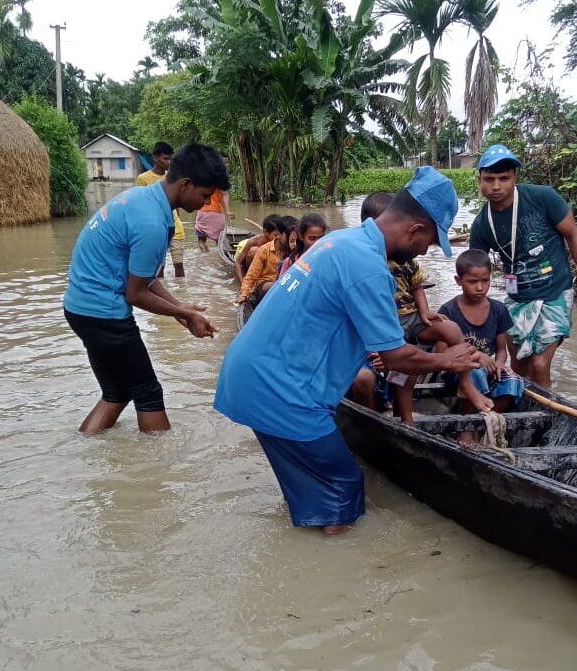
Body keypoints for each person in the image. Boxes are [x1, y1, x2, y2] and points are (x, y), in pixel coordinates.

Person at [214, 167, 480, 534]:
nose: (424, 251)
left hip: (250, 377)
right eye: (430, 243)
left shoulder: (339, 241)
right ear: (415, 230)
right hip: (281, 393)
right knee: (344, 489)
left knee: (316, 490)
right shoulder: (368, 267)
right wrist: (447, 360)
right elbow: (396, 357)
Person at [64, 144, 229, 435]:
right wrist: (184, 314)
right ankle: (159, 470)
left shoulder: (144, 198)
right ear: (185, 184)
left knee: (117, 391)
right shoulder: (151, 222)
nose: (205, 204)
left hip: (80, 306)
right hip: (104, 312)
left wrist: (180, 310)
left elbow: (145, 279)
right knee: (148, 392)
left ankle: (85, 450)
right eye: (204, 195)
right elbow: (135, 293)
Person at [469, 144, 577, 387]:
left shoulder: (542, 197)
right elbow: (473, 271)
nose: (496, 186)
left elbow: (574, 235)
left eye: (504, 178)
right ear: (480, 180)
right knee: (519, 365)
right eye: (489, 179)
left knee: (540, 365)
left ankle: (547, 417)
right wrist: (475, 315)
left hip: (555, 292)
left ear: (515, 177)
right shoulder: (481, 224)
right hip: (517, 299)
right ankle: (523, 409)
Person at [357, 192, 492, 423]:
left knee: (450, 329)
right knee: (405, 376)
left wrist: (425, 311)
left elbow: (417, 286)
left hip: (408, 318)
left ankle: (466, 383)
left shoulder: (406, 260)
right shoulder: (366, 261)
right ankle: (405, 421)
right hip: (384, 329)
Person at [438, 249, 525, 443]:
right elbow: (441, 353)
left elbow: (501, 349)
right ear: (458, 280)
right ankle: (466, 426)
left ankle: (482, 419)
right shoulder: (448, 310)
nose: (480, 287)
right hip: (456, 371)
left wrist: (501, 364)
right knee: (475, 372)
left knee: (515, 380)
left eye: (485, 281)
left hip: (487, 369)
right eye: (472, 282)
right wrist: (476, 356)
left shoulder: (498, 309)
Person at [135, 141, 186, 278]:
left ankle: (181, 293)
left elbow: (178, 202)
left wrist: (178, 221)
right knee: (159, 269)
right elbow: (140, 204)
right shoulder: (143, 179)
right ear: (155, 158)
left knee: (179, 267)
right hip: (155, 228)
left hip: (175, 227)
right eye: (165, 158)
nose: (169, 162)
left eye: (170, 159)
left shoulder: (173, 177)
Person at [237, 216, 297, 306]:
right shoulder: (264, 250)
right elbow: (251, 276)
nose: (294, 242)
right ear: (278, 235)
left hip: (284, 286)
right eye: (289, 236)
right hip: (263, 288)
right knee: (277, 285)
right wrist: (244, 294)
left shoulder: (294, 251)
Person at [195, 151, 234, 252]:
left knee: (201, 240)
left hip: (201, 212)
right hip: (215, 213)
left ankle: (205, 257)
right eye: (224, 163)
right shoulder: (220, 177)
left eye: (227, 163)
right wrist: (228, 211)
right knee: (220, 242)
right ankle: (219, 260)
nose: (226, 165)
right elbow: (225, 194)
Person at [234, 215, 281, 281]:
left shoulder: (279, 241)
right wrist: (242, 282)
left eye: (280, 234)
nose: (278, 238)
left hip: (266, 267)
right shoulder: (254, 242)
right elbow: (238, 263)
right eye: (276, 235)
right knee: (254, 251)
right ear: (265, 232)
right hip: (250, 267)